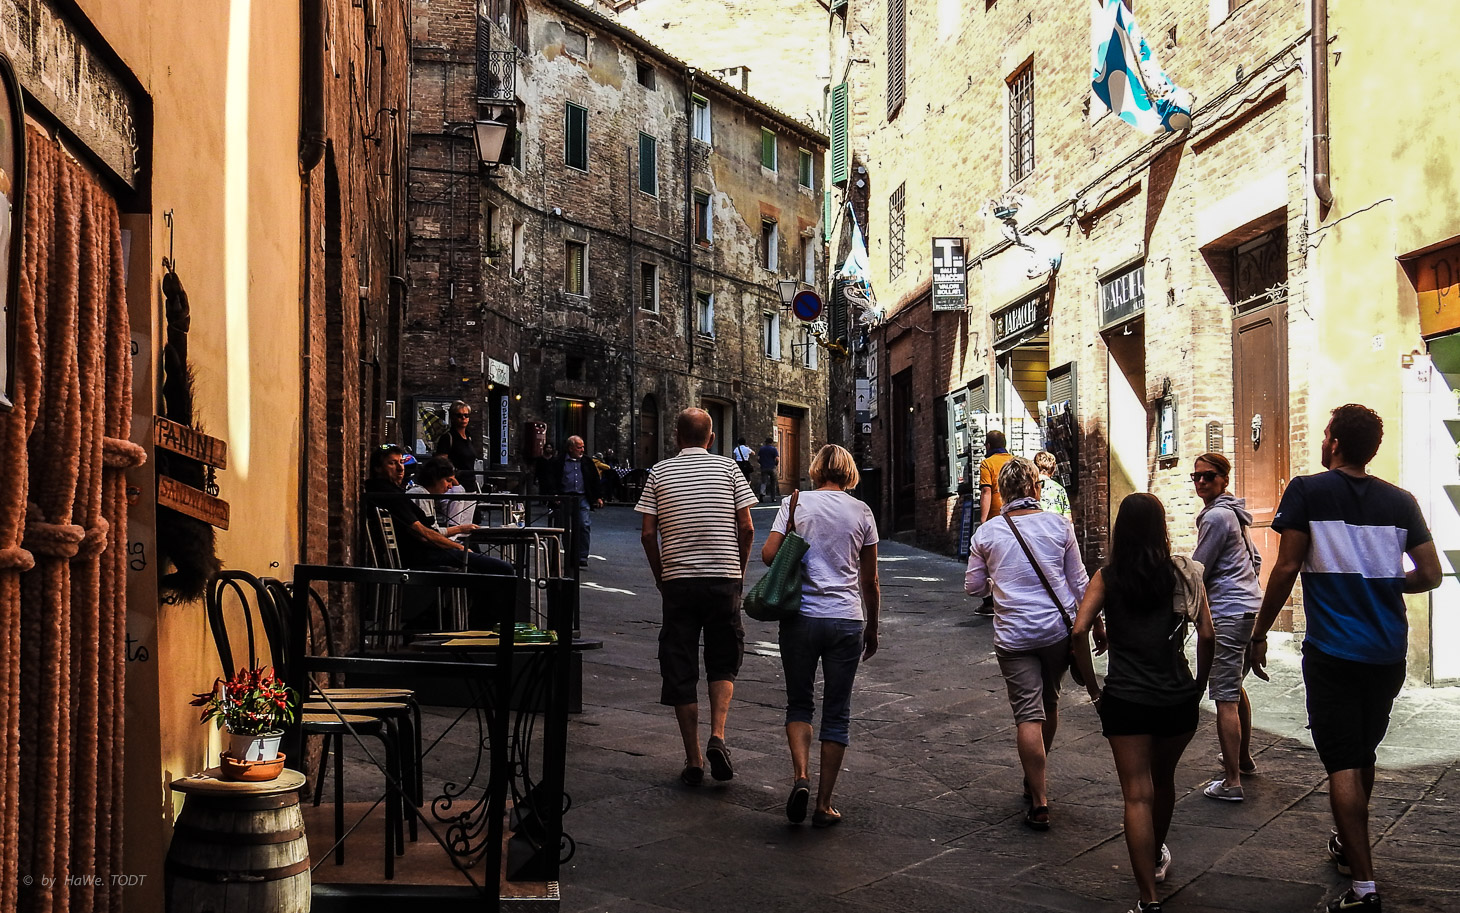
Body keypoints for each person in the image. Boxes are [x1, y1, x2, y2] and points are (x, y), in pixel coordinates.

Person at [1248, 404, 1440, 913]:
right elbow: (1430, 574)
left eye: (1325, 433)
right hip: (1386, 653)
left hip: (1333, 651)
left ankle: (1364, 887)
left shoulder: (1307, 491)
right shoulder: (1401, 501)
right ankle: (1347, 846)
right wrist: (1383, 582)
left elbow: (1286, 566)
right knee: (1362, 753)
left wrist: (1259, 632)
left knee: (1342, 762)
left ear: (1333, 442)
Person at [1073, 493, 1214, 913]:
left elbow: (1079, 631)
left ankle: (1148, 899)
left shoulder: (1108, 577)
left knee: (1136, 795)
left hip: (1126, 699)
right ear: (1160, 528)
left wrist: (1093, 689)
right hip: (1176, 697)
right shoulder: (1182, 575)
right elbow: (1208, 635)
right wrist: (1199, 685)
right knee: (1163, 780)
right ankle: (1154, 857)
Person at [964, 457, 1096, 831]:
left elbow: (973, 586)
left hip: (1014, 636)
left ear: (1003, 492)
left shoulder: (986, 533)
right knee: (1049, 703)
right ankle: (1034, 776)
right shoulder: (1059, 525)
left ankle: (1039, 799)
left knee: (1027, 714)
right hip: (1056, 631)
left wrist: (996, 582)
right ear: (1036, 487)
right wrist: (1096, 625)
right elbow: (1080, 582)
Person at [637, 408, 757, 787]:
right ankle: (717, 735)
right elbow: (747, 528)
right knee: (723, 659)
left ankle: (693, 759)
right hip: (723, 578)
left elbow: (647, 534)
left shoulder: (658, 473)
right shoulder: (729, 469)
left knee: (680, 664)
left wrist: (661, 576)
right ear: (711, 439)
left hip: (679, 582)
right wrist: (738, 570)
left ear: (676, 437)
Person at [761, 444, 879, 827]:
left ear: (816, 470)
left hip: (801, 617)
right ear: (849, 472)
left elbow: (768, 555)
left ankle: (801, 776)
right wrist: (873, 626)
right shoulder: (862, 511)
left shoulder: (795, 503)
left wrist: (792, 532)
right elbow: (870, 580)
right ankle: (824, 804)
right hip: (846, 619)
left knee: (799, 703)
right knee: (837, 712)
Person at [1189, 452, 1264, 803]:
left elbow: (1198, 568)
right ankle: (1243, 759)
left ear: (1224, 479)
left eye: (1209, 476)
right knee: (1234, 687)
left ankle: (1232, 781)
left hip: (1229, 613)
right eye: (1197, 476)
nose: (1202, 482)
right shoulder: (1234, 513)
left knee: (1224, 696)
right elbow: (1255, 559)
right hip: (1248, 610)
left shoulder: (1217, 516)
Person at [364, 450, 514, 625]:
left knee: (483, 567)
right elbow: (422, 533)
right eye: (392, 463)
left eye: (401, 462)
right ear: (377, 468)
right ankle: (481, 627)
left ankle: (469, 624)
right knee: (503, 570)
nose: (400, 468)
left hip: (423, 553)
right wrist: (457, 547)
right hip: (421, 556)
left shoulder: (391, 491)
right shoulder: (388, 493)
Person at [542, 435, 603, 568]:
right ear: (570, 448)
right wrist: (555, 495)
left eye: (583, 447)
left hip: (582, 498)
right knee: (565, 528)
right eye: (579, 447)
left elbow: (594, 479)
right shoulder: (559, 461)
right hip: (565, 497)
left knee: (584, 525)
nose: (582, 450)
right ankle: (569, 555)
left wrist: (598, 497)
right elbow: (551, 479)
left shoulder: (587, 461)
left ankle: (582, 556)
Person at [973, 430, 1015, 615]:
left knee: (988, 560)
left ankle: (989, 602)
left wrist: (983, 520)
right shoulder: (1015, 461)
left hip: (995, 516)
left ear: (988, 446)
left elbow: (986, 491)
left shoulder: (987, 463)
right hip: (1014, 515)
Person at [434, 400, 482, 493]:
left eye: (466, 415)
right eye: (459, 415)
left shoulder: (469, 437)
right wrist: (455, 482)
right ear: (452, 417)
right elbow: (440, 464)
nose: (463, 418)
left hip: (470, 485)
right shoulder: (448, 438)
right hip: (454, 488)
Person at [1033, 450, 1070, 519]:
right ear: (1053, 470)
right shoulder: (1060, 489)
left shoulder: (1030, 487)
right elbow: (1068, 519)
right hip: (1056, 524)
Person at [757, 436, 780, 502]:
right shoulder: (774, 449)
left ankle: (762, 495)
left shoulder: (762, 449)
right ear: (771, 442)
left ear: (766, 442)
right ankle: (773, 497)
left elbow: (758, 458)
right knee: (773, 482)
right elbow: (777, 459)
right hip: (772, 467)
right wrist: (775, 464)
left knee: (763, 482)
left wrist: (761, 463)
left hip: (764, 467)